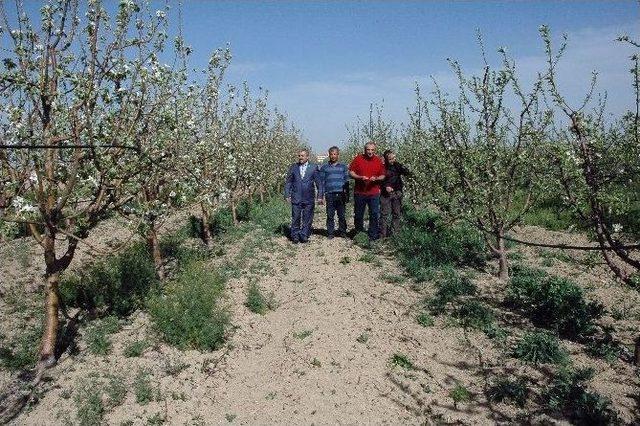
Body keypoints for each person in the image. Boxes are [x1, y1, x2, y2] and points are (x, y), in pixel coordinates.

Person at [349, 141, 386, 240]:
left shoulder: (378, 161)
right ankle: (359, 234)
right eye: (368, 150)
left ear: (375, 150)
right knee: (358, 214)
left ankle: (373, 235)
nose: (370, 152)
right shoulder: (358, 159)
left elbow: (383, 175)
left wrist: (377, 178)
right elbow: (351, 172)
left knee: (374, 214)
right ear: (365, 150)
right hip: (360, 192)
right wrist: (360, 177)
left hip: (373, 193)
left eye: (372, 150)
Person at [284, 149, 323, 243]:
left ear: (307, 156)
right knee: (296, 217)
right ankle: (295, 235)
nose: (300, 157)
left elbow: (319, 183)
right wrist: (286, 194)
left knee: (307, 217)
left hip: (309, 197)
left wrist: (320, 196)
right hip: (296, 196)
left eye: (302, 156)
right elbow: (288, 182)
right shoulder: (293, 167)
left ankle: (304, 234)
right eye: (299, 156)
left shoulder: (313, 167)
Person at [319, 146, 349, 238]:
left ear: (338, 155)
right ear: (329, 155)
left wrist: (347, 194)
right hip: (330, 194)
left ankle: (342, 232)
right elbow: (322, 182)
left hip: (341, 194)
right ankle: (330, 232)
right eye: (331, 154)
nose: (333, 156)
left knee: (342, 215)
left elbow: (346, 180)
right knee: (330, 214)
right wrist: (321, 195)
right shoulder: (324, 167)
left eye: (335, 154)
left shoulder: (343, 167)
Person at [380, 149, 412, 238]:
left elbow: (407, 173)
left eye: (394, 158)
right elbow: (379, 181)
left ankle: (395, 235)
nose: (393, 160)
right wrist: (385, 187)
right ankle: (383, 235)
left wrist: (405, 168)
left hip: (397, 192)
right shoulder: (382, 167)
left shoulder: (397, 165)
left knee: (397, 214)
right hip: (385, 194)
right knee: (384, 214)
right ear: (386, 159)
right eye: (390, 159)